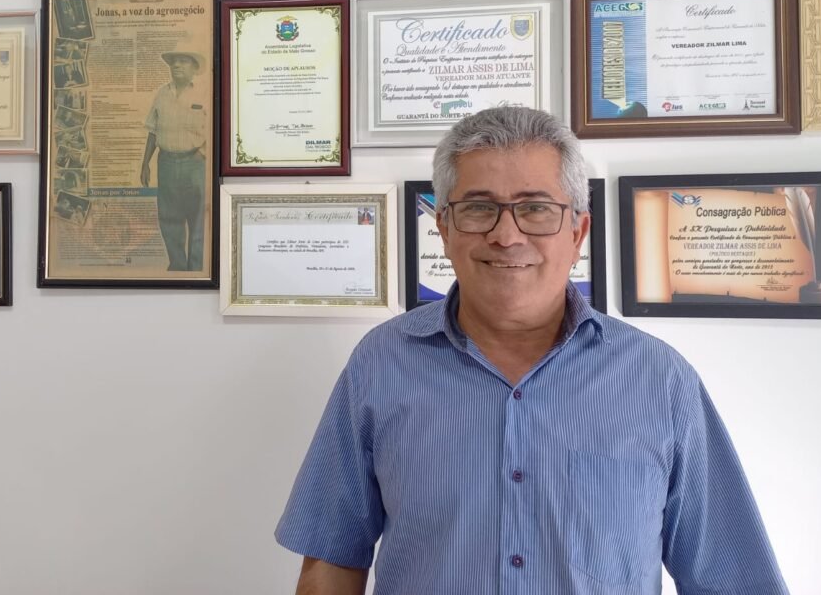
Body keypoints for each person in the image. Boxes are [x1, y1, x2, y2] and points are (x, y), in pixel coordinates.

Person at [275, 106, 788, 595]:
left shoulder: (660, 379)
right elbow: (332, 558)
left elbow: (731, 579)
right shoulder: (381, 363)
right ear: (444, 230)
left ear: (577, 232)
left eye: (536, 209)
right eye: (479, 208)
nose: (506, 235)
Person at [139, 50, 207, 271]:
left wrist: (203, 153)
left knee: (197, 218)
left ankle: (195, 270)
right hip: (166, 163)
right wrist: (145, 163)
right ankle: (178, 267)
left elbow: (217, 128)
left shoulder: (204, 94)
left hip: (195, 164)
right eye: (174, 62)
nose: (177, 65)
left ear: (194, 67)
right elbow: (152, 130)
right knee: (169, 217)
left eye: (183, 61)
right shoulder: (162, 94)